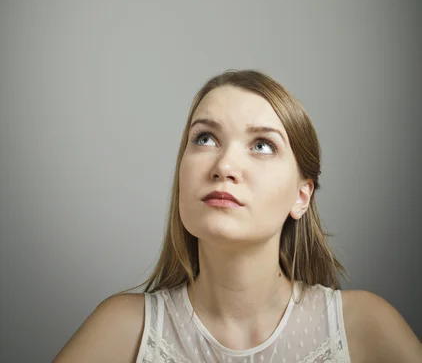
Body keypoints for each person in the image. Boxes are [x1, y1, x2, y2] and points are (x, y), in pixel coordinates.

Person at [53, 69, 421, 362]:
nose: (224, 165)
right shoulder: (124, 331)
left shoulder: (364, 327)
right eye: (205, 139)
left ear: (302, 195)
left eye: (262, 145)